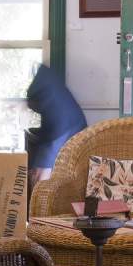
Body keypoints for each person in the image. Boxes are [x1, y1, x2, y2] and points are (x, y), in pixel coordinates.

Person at [26, 64, 87, 192]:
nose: (33, 110)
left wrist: (39, 169)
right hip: (69, 126)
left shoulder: (54, 107)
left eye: (33, 106)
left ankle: (40, 198)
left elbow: (51, 140)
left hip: (68, 130)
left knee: (42, 175)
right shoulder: (50, 92)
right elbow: (46, 131)